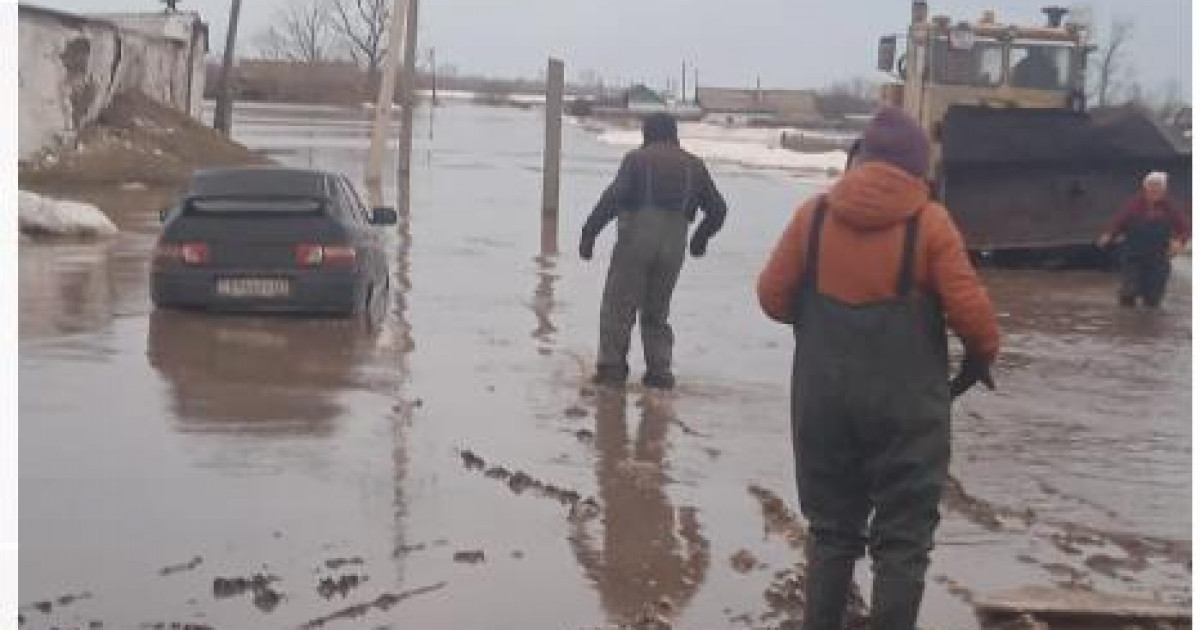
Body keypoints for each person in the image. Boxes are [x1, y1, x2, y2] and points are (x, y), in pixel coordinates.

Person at [755, 107, 1000, 630]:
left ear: (860, 158)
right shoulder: (931, 225)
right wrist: (979, 361)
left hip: (823, 404)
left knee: (831, 531)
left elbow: (772, 298)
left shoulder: (813, 217)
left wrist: (822, 316)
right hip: (907, 411)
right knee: (903, 542)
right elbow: (974, 319)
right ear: (917, 169)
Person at [580, 113, 728, 389]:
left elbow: (612, 199)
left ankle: (612, 371)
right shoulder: (695, 165)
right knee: (657, 311)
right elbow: (718, 210)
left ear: (647, 134)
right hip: (674, 245)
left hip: (636, 239)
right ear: (674, 135)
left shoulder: (636, 160)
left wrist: (589, 233)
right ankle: (659, 373)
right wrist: (700, 240)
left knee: (618, 306)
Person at [1097, 171, 1189, 308]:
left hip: (1158, 258)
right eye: (1152, 186)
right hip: (1133, 256)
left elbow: (1185, 228)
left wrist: (1179, 241)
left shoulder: (1170, 207)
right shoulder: (1134, 205)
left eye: (1159, 186)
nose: (1155, 189)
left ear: (1164, 190)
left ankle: (1150, 325)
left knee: (1153, 299)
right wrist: (1109, 235)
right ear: (1145, 187)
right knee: (1128, 293)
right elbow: (1119, 222)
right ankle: (1127, 323)